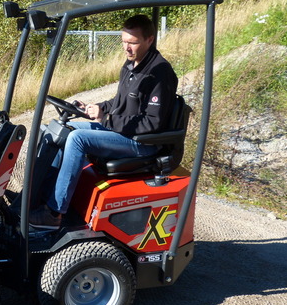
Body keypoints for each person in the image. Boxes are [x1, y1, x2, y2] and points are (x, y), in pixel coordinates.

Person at [29, 14, 178, 229]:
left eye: (132, 42)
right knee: (64, 128)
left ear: (149, 39)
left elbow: (152, 123)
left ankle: (54, 213)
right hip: (124, 132)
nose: (126, 48)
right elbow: (118, 102)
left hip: (143, 142)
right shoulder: (131, 65)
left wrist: (106, 119)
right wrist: (94, 108)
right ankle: (39, 198)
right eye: (124, 41)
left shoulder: (159, 73)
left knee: (78, 139)